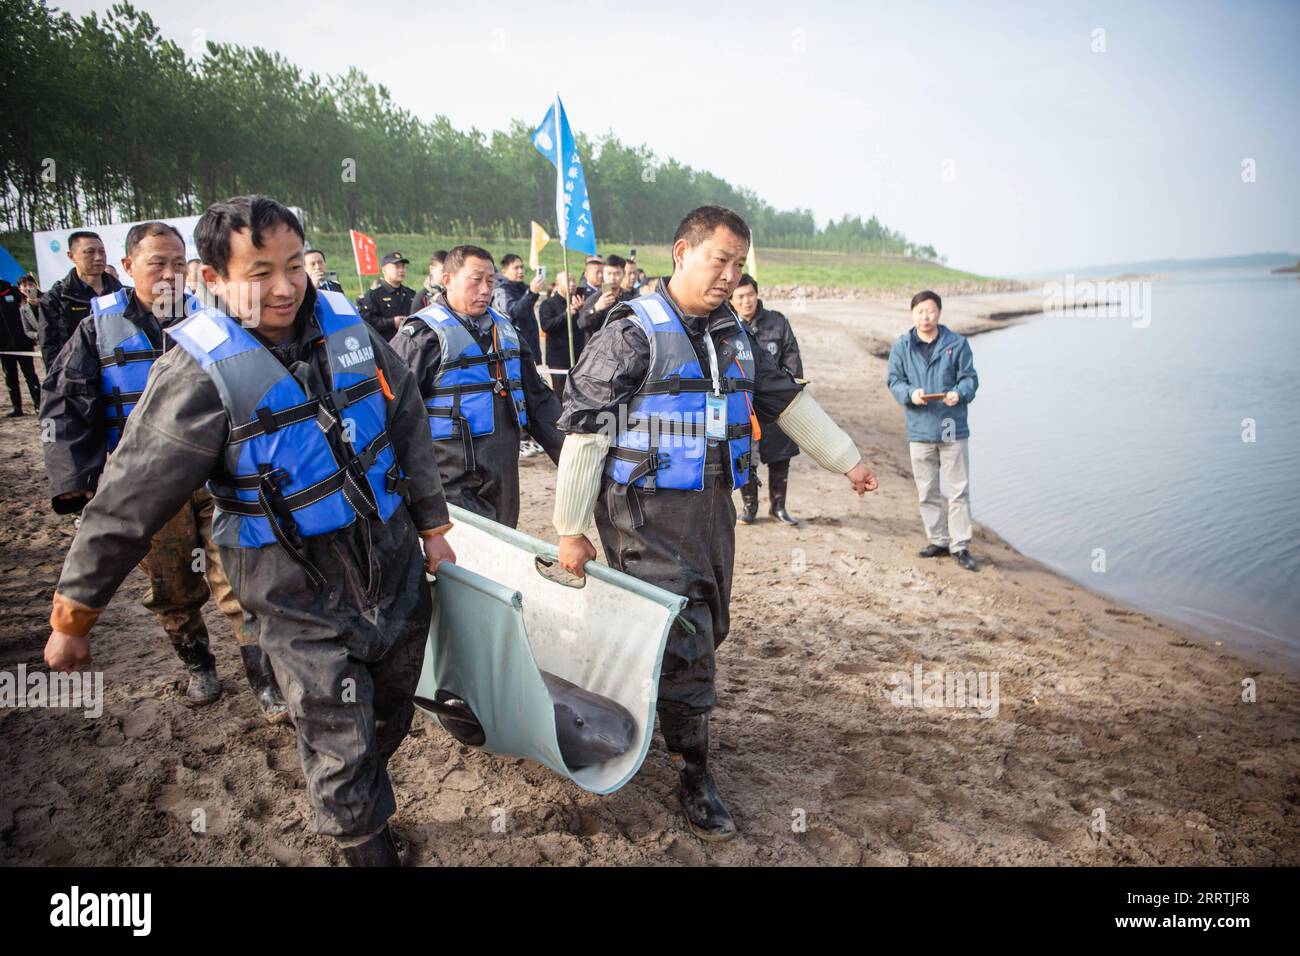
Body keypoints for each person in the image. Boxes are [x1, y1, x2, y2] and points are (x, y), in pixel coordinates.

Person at [42, 196, 456, 866]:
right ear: (214, 279)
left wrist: (432, 524)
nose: (286, 286)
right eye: (260, 272)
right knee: (334, 725)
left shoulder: (348, 324)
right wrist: (73, 615)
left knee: (389, 704)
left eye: (294, 265)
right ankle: (361, 841)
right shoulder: (196, 372)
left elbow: (403, 413)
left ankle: (359, 792)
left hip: (389, 559)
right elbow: (128, 496)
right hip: (292, 583)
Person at [552, 206, 878, 841]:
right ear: (682, 252)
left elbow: (782, 397)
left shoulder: (734, 333)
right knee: (688, 639)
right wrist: (569, 527)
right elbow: (586, 433)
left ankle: (640, 715)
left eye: (738, 264)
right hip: (642, 514)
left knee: (706, 623)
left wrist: (848, 460)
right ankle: (694, 775)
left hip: (710, 510)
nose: (729, 276)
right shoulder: (631, 333)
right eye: (718, 260)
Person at [39, 221, 289, 719]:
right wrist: (74, 480)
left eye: (180, 263)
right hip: (150, 487)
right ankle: (198, 664)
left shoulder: (217, 320)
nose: (172, 274)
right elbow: (66, 403)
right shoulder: (96, 328)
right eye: (158, 263)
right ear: (127, 267)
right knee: (173, 588)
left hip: (219, 480)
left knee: (242, 578)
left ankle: (268, 686)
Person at [393, 245, 564, 528]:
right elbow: (393, 411)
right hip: (449, 482)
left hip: (503, 479)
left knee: (502, 552)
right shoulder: (422, 337)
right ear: (447, 280)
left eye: (491, 281)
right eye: (476, 279)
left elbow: (539, 402)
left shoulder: (507, 332)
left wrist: (570, 456)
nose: (485, 290)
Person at [887, 290, 979, 571]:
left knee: (958, 490)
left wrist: (958, 394)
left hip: (953, 428)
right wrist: (910, 393)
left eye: (930, 311)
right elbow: (894, 380)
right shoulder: (902, 346)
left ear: (939, 312)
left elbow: (970, 379)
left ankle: (960, 545)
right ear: (912, 314)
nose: (925, 316)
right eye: (919, 311)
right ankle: (938, 539)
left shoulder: (957, 344)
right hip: (920, 429)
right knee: (927, 490)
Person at [730, 274, 805, 525]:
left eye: (750, 294)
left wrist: (786, 392)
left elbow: (792, 359)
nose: (746, 301)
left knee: (780, 455)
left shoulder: (777, 322)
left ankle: (779, 507)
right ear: (731, 299)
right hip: (743, 405)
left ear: (757, 294)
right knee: (745, 457)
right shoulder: (727, 325)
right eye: (740, 296)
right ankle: (749, 508)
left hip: (774, 403)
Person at [37, 231, 123, 370]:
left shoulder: (122, 293)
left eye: (102, 251)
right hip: (80, 376)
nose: (98, 257)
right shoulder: (56, 299)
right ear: (71, 256)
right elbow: (50, 350)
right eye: (89, 252)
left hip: (119, 372)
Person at [537, 269, 587, 398]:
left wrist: (582, 311)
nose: (572, 284)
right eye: (568, 280)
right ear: (558, 284)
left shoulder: (577, 303)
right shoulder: (548, 304)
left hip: (578, 356)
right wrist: (566, 315)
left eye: (573, 280)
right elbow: (547, 326)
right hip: (558, 359)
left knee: (580, 394)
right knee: (561, 395)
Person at [490, 253, 546, 359]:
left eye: (522, 267)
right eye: (516, 268)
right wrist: (532, 293)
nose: (520, 271)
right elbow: (514, 312)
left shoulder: (524, 288)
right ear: (504, 272)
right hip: (514, 349)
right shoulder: (501, 290)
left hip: (529, 347)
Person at [0, 277, 40, 416]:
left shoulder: (12, 290)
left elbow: (28, 308)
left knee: (30, 375)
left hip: (23, 342)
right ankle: (17, 408)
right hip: (3, 346)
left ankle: (39, 405)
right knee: (10, 377)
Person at [356, 251, 416, 342]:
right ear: (384, 270)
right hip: (385, 348)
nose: (401, 270)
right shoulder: (374, 295)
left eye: (403, 266)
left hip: (408, 346)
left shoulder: (410, 294)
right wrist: (391, 322)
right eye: (396, 267)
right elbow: (367, 323)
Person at [575, 253, 636, 337]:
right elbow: (581, 323)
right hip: (599, 347)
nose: (612, 278)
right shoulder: (594, 298)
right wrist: (596, 308)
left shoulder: (629, 299)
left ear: (623, 274)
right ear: (603, 274)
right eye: (609, 273)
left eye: (616, 274)